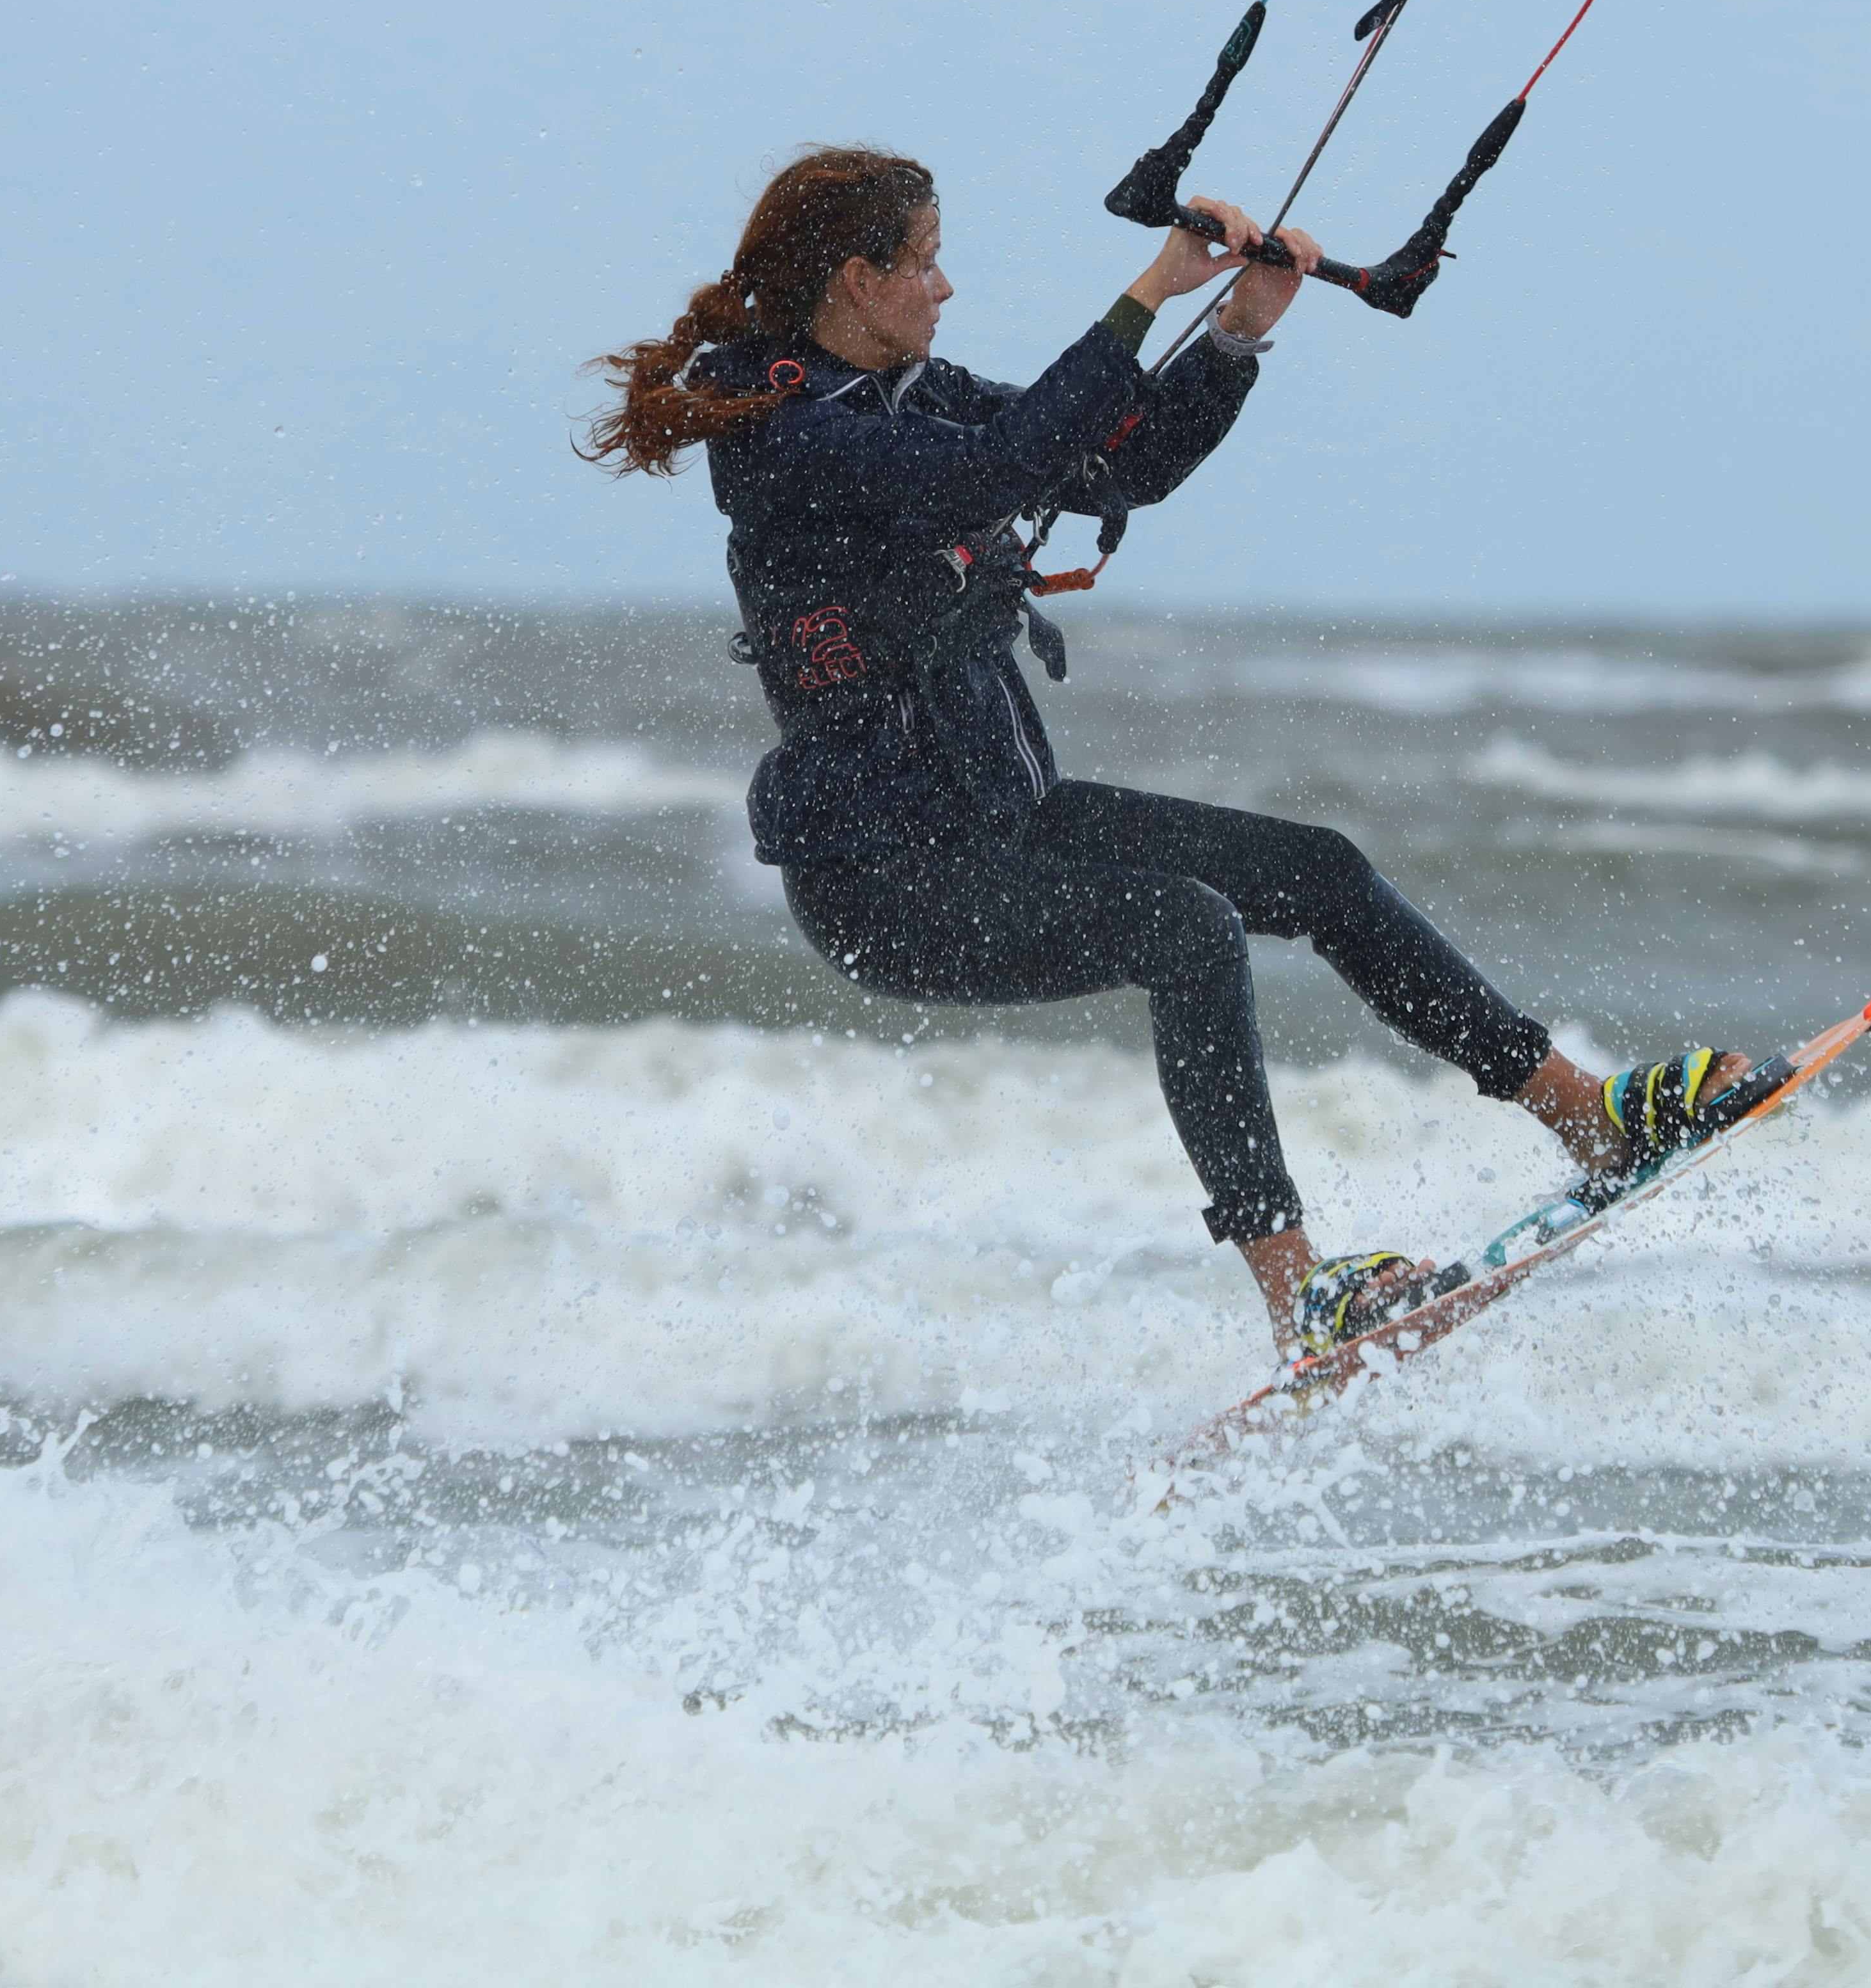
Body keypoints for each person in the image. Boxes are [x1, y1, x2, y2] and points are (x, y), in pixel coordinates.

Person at [583, 145, 1742, 1365]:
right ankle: (1301, 1299)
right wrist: (1149, 291)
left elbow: (1112, 462)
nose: (946, 289)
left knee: (1321, 868)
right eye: (927, 264)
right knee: (1184, 924)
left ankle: (1587, 1122)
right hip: (887, 882)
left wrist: (1236, 333)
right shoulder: (787, 438)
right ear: (860, 282)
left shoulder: (915, 398)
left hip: (1008, 824)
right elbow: (1001, 468)